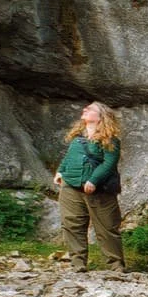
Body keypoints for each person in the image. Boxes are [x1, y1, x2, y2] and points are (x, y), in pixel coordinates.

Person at [53, 102, 125, 272]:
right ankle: (78, 264)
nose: (85, 109)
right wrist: (60, 172)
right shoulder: (78, 138)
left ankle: (116, 266)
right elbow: (69, 157)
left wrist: (93, 180)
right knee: (72, 225)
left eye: (90, 109)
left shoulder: (110, 140)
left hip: (100, 191)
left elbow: (109, 163)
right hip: (70, 186)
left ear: (101, 117)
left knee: (107, 227)